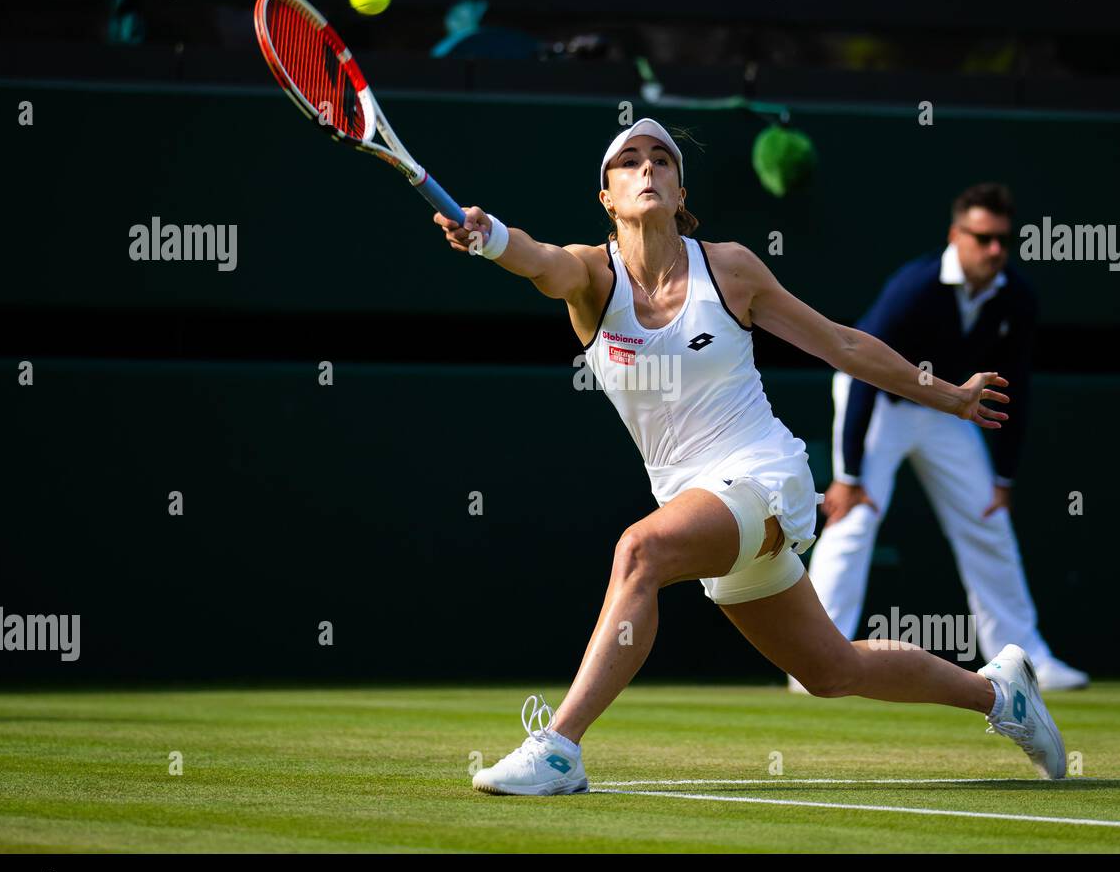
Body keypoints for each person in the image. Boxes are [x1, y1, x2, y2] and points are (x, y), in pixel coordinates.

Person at [434, 120, 1065, 795]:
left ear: (680, 192)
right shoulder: (591, 276)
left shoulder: (729, 268)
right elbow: (536, 258)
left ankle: (559, 747)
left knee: (639, 552)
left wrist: (949, 397)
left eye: (662, 161)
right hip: (692, 496)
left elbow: (843, 345)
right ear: (608, 199)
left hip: (764, 473)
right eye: (628, 162)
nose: (647, 169)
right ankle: (1001, 696)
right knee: (830, 671)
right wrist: (490, 236)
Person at [799, 184, 1088, 694]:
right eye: (982, 238)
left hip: (945, 413)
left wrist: (1003, 478)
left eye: (1003, 240)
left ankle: (1025, 661)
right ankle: (816, 661)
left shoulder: (1017, 297)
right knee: (856, 515)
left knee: (988, 519)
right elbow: (858, 369)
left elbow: (1012, 385)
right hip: (879, 403)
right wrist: (848, 476)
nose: (995, 250)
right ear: (956, 235)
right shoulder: (915, 287)